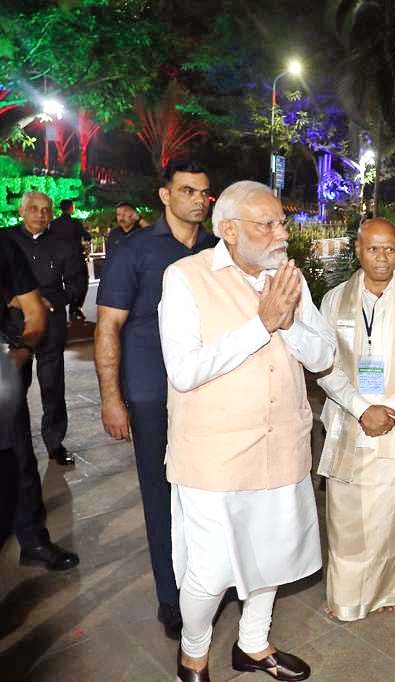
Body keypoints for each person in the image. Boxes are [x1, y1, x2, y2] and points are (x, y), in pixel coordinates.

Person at [158, 180, 335, 681]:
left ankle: (253, 645)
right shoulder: (185, 277)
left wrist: (286, 321)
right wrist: (261, 323)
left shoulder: (287, 277)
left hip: (282, 445)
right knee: (211, 570)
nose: (282, 232)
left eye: (282, 222)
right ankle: (194, 653)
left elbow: (323, 355)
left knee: (272, 556)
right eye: (269, 223)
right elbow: (185, 370)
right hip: (215, 455)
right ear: (229, 230)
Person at [94, 160, 217, 639]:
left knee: (208, 492)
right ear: (165, 196)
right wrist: (111, 398)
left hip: (208, 391)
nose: (197, 200)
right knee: (161, 495)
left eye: (204, 192)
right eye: (187, 191)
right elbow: (108, 327)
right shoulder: (134, 251)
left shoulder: (216, 249)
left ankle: (209, 580)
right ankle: (172, 596)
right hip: (151, 394)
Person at [317, 217, 395, 621]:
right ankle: (347, 596)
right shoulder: (334, 300)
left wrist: (389, 409)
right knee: (347, 515)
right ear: (357, 250)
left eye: (389, 248)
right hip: (349, 421)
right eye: (373, 248)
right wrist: (359, 407)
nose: (382, 257)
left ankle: (389, 587)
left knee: (392, 510)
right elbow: (324, 365)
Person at [3, 191, 88, 467]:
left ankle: (55, 443)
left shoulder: (64, 244)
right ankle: (15, 443)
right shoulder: (6, 240)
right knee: (15, 386)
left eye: (45, 210)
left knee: (53, 387)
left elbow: (76, 283)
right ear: (22, 211)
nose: (40, 214)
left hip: (50, 324)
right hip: (15, 326)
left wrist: (54, 300)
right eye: (34, 209)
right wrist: (10, 299)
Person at [0, 237, 50, 554]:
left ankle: (32, 541)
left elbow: (34, 310)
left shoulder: (4, 246)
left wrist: (23, 349)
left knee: (18, 455)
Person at [49, 198, 91, 320]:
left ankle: (70, 310)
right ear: (71, 208)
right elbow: (87, 237)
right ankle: (75, 308)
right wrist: (87, 233)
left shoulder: (54, 224)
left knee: (69, 284)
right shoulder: (76, 223)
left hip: (61, 260)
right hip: (76, 259)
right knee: (82, 283)